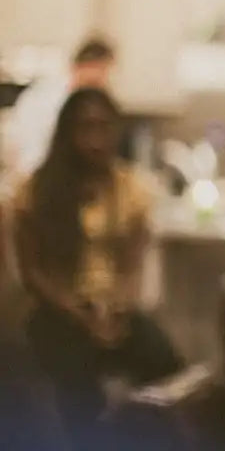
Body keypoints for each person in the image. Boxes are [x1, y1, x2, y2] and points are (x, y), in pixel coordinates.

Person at [11, 87, 182, 450]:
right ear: (68, 132)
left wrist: (118, 308)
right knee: (75, 375)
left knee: (167, 365)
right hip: (57, 307)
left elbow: (132, 263)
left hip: (115, 308)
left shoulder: (131, 188)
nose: (95, 139)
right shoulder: (37, 189)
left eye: (104, 128)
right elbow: (32, 272)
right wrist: (78, 312)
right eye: (85, 128)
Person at [3, 37, 116, 184]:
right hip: (41, 180)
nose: (104, 80)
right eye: (103, 71)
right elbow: (27, 149)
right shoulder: (44, 98)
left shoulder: (88, 102)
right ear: (87, 66)